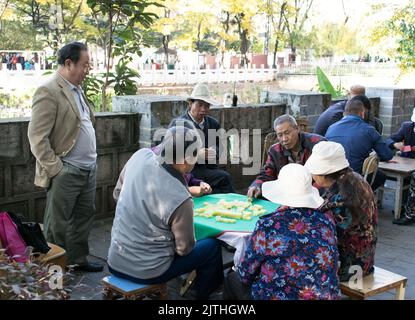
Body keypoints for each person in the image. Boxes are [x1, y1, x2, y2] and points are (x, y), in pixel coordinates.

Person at [107, 125, 224, 300]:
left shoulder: (140, 156)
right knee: (212, 247)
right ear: (186, 160)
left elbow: (117, 194)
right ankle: (200, 296)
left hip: (115, 259)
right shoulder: (181, 197)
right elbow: (184, 249)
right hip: (149, 271)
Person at [27, 42, 102, 272]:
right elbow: (37, 136)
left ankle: (78, 259)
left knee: (83, 218)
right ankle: (53, 270)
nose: (87, 70)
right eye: (84, 65)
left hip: (88, 168)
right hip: (66, 170)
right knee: (56, 224)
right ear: (68, 63)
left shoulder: (76, 88)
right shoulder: (49, 90)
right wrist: (56, 168)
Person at [224, 164, 340, 300]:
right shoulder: (327, 220)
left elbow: (246, 273)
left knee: (231, 278)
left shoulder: (268, 225)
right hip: (326, 295)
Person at [305, 141, 378, 281]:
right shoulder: (354, 178)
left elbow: (325, 238)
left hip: (351, 267)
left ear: (323, 174)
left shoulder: (341, 197)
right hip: (365, 258)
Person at [113, 119, 212, 201]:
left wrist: (199, 183)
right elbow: (158, 195)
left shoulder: (178, 159)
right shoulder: (153, 161)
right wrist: (190, 190)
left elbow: (187, 178)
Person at [247, 114, 325, 199]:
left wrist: (305, 196)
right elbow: (267, 173)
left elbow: (325, 177)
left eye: (287, 133)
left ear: (297, 129)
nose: (284, 139)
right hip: (285, 194)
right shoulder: (275, 150)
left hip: (314, 193)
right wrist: (257, 185)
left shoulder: (317, 144)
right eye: (280, 135)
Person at [325, 98, 393, 191]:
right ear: (362, 113)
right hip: (355, 178)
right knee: (381, 176)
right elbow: (387, 155)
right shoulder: (369, 130)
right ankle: (365, 198)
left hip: (332, 177)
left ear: (344, 113)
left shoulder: (331, 128)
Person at [179, 83, 235, 194]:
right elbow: (173, 154)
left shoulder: (213, 123)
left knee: (225, 178)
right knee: (221, 179)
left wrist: (214, 152)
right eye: (200, 105)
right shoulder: (180, 125)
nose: (203, 109)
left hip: (209, 168)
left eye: (207, 106)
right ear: (190, 104)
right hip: (189, 171)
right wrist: (195, 155)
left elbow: (221, 147)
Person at [385, 108, 415, 225]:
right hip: (406, 162)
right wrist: (395, 144)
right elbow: (389, 140)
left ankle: (410, 214)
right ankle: (402, 206)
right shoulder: (407, 127)